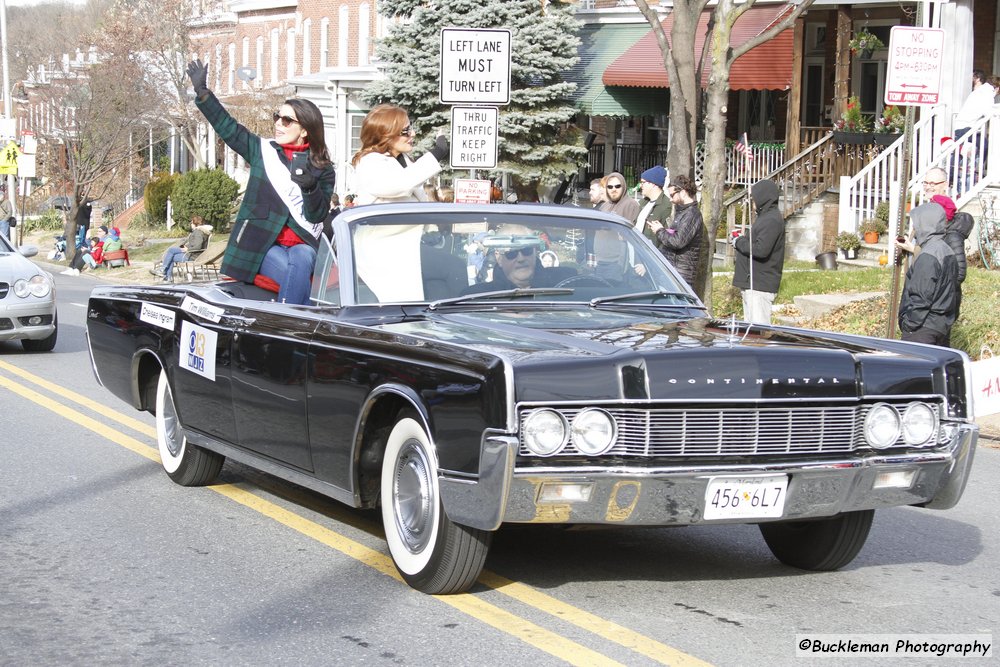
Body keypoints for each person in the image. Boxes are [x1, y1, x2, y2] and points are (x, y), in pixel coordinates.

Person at [187, 59, 335, 305]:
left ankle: (287, 326)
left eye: (287, 120)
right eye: (278, 117)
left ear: (305, 129)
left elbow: (316, 215)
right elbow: (229, 129)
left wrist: (309, 186)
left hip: (303, 244)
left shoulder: (323, 169)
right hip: (262, 244)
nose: (278, 123)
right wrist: (203, 93)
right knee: (296, 272)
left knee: (302, 256)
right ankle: (292, 328)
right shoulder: (262, 150)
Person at [350, 104, 449, 205]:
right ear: (386, 135)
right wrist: (438, 152)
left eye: (411, 128)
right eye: (406, 131)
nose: (413, 133)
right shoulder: (369, 162)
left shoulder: (403, 161)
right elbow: (400, 184)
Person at [897, 203, 960, 346]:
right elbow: (955, 292)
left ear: (926, 224)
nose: (915, 229)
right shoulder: (947, 250)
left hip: (923, 328)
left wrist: (909, 324)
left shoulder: (928, 256)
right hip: (941, 327)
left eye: (917, 224)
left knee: (912, 368)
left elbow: (921, 297)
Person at [731, 179, 786, 325]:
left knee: (758, 333)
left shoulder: (771, 220)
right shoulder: (764, 218)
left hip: (760, 286)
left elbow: (761, 249)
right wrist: (741, 238)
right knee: (750, 334)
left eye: (754, 198)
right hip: (752, 284)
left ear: (763, 198)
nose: (752, 202)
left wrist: (739, 242)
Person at [462, 225, 575, 294]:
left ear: (535, 252)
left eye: (527, 250)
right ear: (498, 257)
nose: (521, 258)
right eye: (512, 253)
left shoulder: (566, 285)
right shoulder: (477, 297)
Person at [649, 174, 702, 289]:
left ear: (682, 192)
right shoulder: (682, 211)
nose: (670, 199)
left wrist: (659, 231)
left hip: (681, 274)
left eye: (672, 195)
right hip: (673, 272)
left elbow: (678, 241)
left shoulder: (692, 214)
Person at [158, 216, 211, 282]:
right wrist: (186, 247)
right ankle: (166, 275)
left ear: (195, 223)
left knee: (171, 253)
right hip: (193, 254)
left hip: (192, 256)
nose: (191, 224)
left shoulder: (198, 232)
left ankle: (165, 274)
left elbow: (198, 246)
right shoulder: (202, 231)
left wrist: (187, 249)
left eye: (191, 223)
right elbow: (196, 244)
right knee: (171, 253)